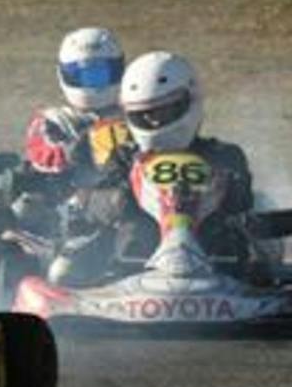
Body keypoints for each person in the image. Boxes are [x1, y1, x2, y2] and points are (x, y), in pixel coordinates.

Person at [49, 51, 256, 285]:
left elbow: (244, 204)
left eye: (163, 112)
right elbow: (90, 204)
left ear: (191, 101)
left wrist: (219, 194)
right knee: (129, 229)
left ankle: (242, 283)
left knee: (227, 230)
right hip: (133, 268)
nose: (154, 123)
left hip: (215, 263)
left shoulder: (223, 155)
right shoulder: (124, 156)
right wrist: (116, 199)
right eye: (143, 116)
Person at [13, 28, 129, 219]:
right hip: (64, 212)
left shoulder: (135, 117)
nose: (92, 84)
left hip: (123, 204)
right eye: (83, 76)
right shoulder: (52, 121)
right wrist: (83, 145)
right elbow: (47, 164)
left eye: (101, 74)